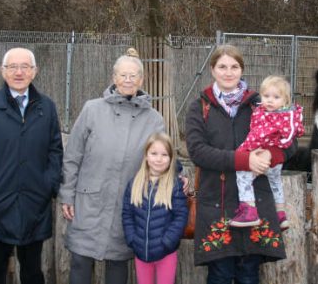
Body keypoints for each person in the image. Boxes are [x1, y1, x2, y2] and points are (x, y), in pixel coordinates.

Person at [59, 48, 165, 284]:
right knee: (80, 261)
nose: (128, 80)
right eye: (123, 75)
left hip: (128, 204)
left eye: (133, 76)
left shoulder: (154, 119)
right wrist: (67, 194)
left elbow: (162, 158)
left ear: (142, 80)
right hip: (88, 201)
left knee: (118, 264)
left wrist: (179, 174)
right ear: (114, 78)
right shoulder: (92, 109)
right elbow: (73, 155)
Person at [185, 44, 289, 284]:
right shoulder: (200, 108)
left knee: (249, 275)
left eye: (234, 66)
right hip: (216, 204)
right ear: (212, 70)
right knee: (220, 275)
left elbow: (289, 141)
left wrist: (268, 157)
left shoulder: (261, 104)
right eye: (222, 66)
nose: (228, 72)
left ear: (242, 70)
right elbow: (198, 151)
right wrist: (245, 160)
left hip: (255, 203)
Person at [0, 47, 63, 284]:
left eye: (25, 67)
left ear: (34, 71)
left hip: (34, 205)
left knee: (32, 272)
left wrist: (47, 185)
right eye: (12, 67)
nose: (19, 72)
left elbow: (55, 151)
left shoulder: (46, 108)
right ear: (3, 71)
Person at [229, 76, 304, 229]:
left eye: (276, 97)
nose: (270, 100)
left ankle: (249, 209)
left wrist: (271, 152)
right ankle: (280, 213)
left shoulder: (285, 115)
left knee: (243, 176)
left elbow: (290, 136)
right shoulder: (261, 109)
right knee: (275, 184)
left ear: (286, 100)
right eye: (266, 96)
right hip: (267, 159)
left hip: (265, 157)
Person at [122, 132, 188, 284]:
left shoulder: (175, 185)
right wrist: (132, 238)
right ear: (146, 155)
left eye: (164, 155)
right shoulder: (134, 184)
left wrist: (167, 242)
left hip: (165, 254)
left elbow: (180, 216)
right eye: (154, 153)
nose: (158, 159)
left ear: (171, 158)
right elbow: (127, 214)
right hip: (141, 253)